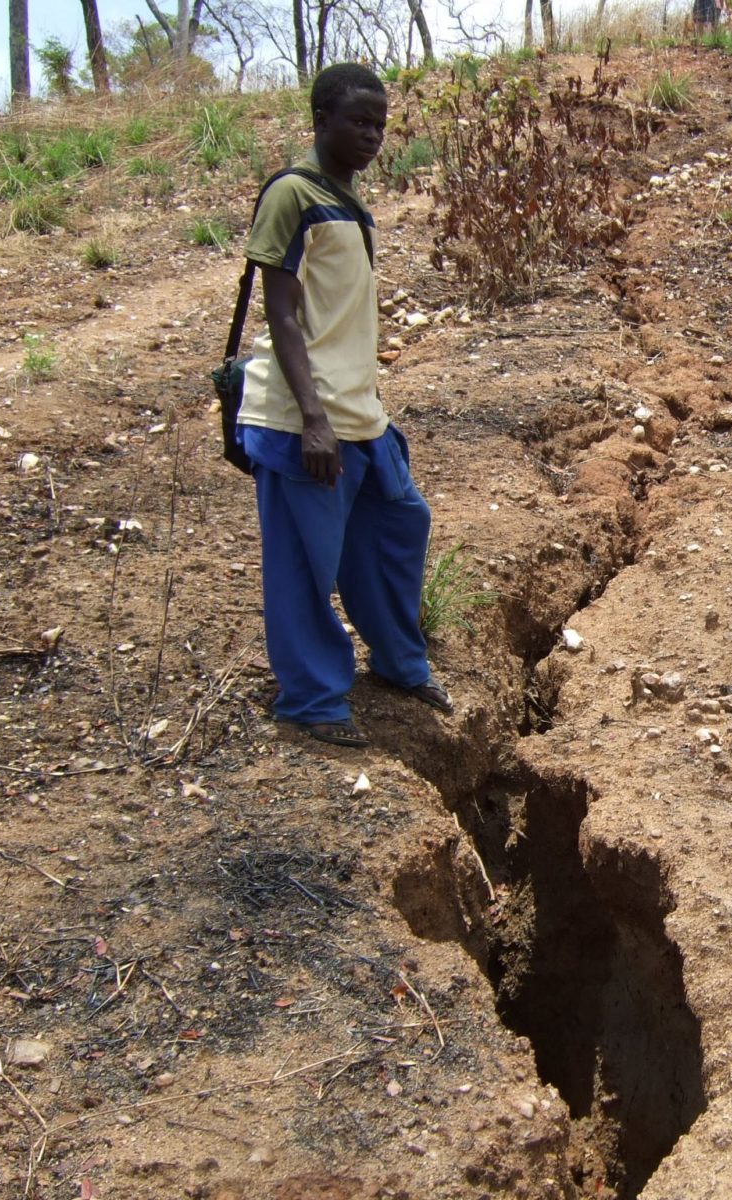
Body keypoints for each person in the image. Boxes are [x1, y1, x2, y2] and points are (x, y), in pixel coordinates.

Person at [237, 61, 451, 748]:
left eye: (380, 125)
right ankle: (313, 700)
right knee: (304, 565)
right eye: (358, 121)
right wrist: (313, 418)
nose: (371, 135)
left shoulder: (349, 202)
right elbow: (282, 313)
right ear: (320, 120)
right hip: (304, 419)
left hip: (359, 414)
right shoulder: (292, 196)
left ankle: (398, 663)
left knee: (396, 528)